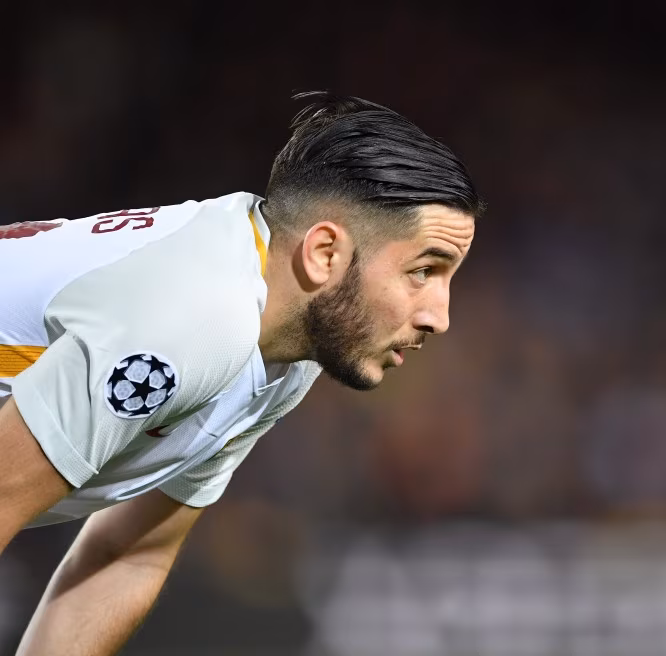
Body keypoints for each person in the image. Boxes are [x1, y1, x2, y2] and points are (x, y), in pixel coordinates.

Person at [0, 92, 482, 654]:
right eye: (423, 271)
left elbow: (128, 554)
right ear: (324, 253)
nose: (440, 317)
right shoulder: (197, 317)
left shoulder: (283, 345)